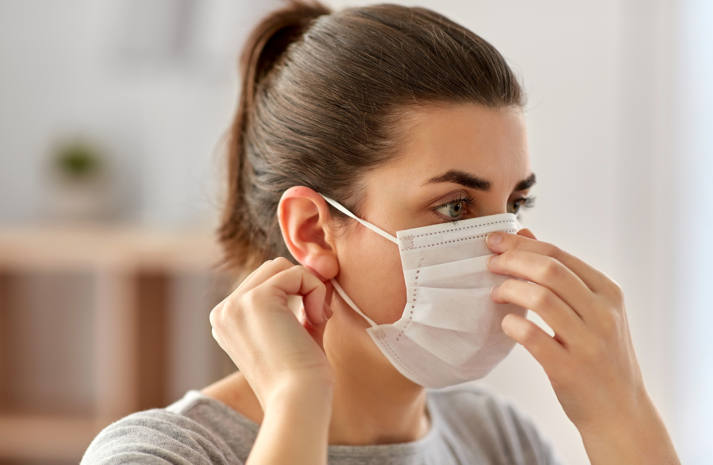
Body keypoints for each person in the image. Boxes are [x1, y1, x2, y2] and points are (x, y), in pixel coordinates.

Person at [81, 1, 682, 464]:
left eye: (515, 202)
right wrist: (296, 402)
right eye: (454, 207)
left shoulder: (495, 438)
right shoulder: (162, 454)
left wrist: (621, 417)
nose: (506, 251)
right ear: (314, 231)